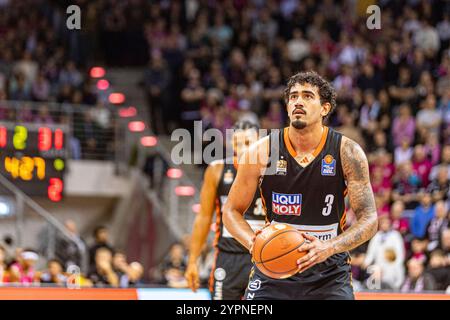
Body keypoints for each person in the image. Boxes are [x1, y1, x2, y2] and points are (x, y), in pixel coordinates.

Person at [223, 71, 378, 300]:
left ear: (325, 108)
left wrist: (330, 246)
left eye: (307, 96)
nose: (298, 101)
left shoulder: (347, 152)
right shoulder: (262, 151)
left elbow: (370, 219)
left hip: (329, 273)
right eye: (293, 97)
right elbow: (231, 210)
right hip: (273, 273)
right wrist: (254, 244)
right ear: (286, 107)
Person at [185, 121, 266, 300]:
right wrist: (193, 261)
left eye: (248, 143)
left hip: (263, 257)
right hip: (228, 258)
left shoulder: (274, 172)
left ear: (260, 142)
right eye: (238, 143)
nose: (243, 148)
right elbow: (204, 218)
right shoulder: (217, 170)